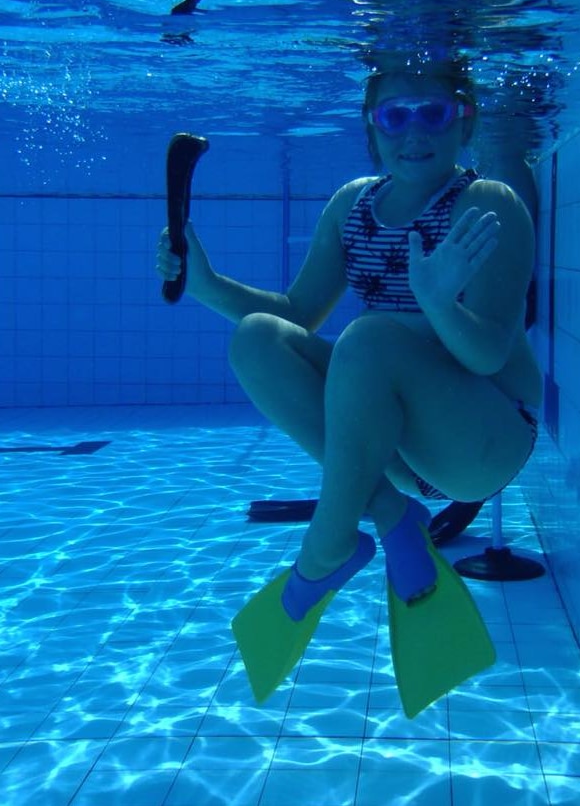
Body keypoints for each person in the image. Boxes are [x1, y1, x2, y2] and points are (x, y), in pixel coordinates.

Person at [156, 57, 543, 710]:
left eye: (434, 112)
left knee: (368, 337)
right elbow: (295, 313)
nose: (413, 131)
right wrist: (209, 285)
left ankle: (326, 549)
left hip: (487, 431)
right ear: (372, 125)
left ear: (464, 117)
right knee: (256, 337)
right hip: (397, 439)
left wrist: (441, 303)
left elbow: (488, 354)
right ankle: (391, 516)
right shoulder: (353, 206)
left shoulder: (486, 205)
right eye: (396, 115)